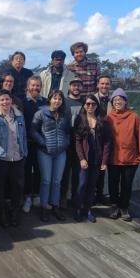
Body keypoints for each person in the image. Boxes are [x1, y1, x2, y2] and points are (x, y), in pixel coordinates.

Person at [0, 90, 27, 227]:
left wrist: (24, 151)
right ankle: (1, 212)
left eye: (7, 99)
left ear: (11, 101)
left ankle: (14, 212)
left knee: (17, 187)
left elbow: (24, 136)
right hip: (0, 158)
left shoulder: (20, 117)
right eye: (2, 100)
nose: (5, 102)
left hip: (18, 158)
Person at [107, 88, 140, 222]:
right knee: (113, 183)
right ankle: (114, 206)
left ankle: (124, 207)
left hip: (130, 158)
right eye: (115, 100)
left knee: (126, 184)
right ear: (112, 102)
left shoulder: (134, 117)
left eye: (120, 99)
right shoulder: (109, 117)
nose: (118, 102)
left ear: (125, 101)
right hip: (113, 158)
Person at [31, 90, 72, 222]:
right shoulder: (40, 113)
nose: (57, 101)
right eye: (55, 98)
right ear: (49, 99)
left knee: (57, 181)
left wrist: (66, 143)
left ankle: (55, 206)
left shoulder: (65, 114)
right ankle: (44, 207)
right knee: (46, 180)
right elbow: (33, 131)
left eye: (60, 99)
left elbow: (68, 132)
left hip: (61, 153)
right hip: (45, 152)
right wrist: (43, 142)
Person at [73, 95, 111, 223]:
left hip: (97, 159)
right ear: (84, 105)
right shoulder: (79, 119)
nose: (90, 106)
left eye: (93, 104)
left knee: (91, 186)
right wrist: (82, 159)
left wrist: (104, 161)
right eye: (88, 104)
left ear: (97, 106)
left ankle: (87, 209)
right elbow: (77, 142)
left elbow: (107, 142)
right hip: (84, 159)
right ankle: (78, 208)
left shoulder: (103, 121)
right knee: (82, 185)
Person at [20, 76, 47, 213]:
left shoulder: (46, 102)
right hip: (27, 143)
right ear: (28, 86)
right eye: (33, 85)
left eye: (38, 85)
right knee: (26, 171)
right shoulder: (23, 102)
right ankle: (27, 197)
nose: (35, 88)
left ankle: (36, 194)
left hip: (42, 143)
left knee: (39, 170)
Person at [61, 77, 83, 209]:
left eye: (78, 85)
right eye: (74, 85)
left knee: (77, 174)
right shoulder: (63, 102)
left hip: (80, 145)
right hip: (65, 144)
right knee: (64, 173)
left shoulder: (86, 102)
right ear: (69, 87)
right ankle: (62, 199)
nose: (76, 88)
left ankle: (75, 199)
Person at [93, 75, 113, 204]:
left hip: (109, 137)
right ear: (98, 85)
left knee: (103, 167)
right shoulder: (92, 99)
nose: (104, 86)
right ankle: (92, 194)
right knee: (95, 167)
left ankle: (100, 194)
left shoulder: (113, 100)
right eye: (102, 83)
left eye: (107, 84)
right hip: (95, 137)